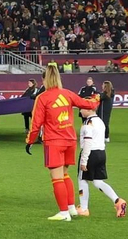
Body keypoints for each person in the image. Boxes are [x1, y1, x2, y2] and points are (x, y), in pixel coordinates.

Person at [26, 65, 99, 221]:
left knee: (57, 177)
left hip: (54, 141)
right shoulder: (67, 94)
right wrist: (97, 97)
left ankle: (64, 213)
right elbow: (89, 105)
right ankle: (71, 208)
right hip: (70, 140)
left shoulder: (43, 97)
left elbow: (36, 123)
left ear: (45, 79)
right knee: (65, 175)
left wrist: (30, 141)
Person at [77, 107, 127, 218]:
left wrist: (84, 160)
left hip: (90, 153)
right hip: (101, 153)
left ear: (89, 110)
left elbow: (88, 142)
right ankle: (118, 201)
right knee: (98, 181)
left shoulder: (87, 124)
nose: (80, 111)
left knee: (82, 179)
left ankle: (84, 208)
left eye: (82, 109)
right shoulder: (100, 121)